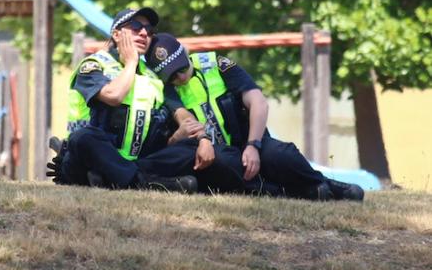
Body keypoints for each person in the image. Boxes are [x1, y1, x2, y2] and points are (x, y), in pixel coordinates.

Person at [145, 33, 364, 201]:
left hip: (249, 141)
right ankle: (294, 192)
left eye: (181, 68)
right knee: (224, 162)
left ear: (186, 53)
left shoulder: (215, 64)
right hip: (217, 155)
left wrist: (253, 145)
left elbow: (258, 101)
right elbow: (183, 119)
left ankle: (326, 185)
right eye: (171, 76)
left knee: (280, 154)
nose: (180, 77)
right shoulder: (165, 90)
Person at [47, 8, 198, 193]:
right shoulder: (93, 65)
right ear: (117, 34)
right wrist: (131, 62)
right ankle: (146, 183)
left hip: (135, 161)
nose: (144, 33)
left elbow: (179, 111)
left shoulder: (153, 75)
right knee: (83, 138)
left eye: (149, 31)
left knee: (190, 148)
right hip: (89, 159)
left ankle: (114, 179)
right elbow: (114, 96)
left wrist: (186, 133)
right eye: (136, 27)